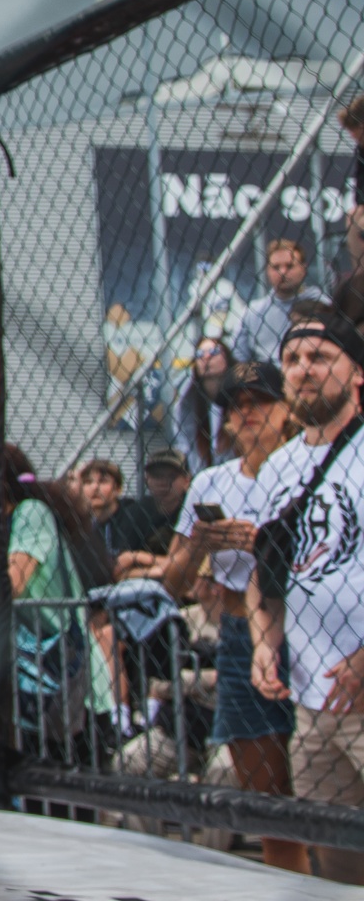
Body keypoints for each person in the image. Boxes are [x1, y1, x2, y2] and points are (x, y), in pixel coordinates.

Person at [155, 359, 307, 873]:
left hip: (309, 629)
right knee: (267, 800)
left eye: (259, 400)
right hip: (241, 632)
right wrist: (202, 542)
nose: (246, 412)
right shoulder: (210, 482)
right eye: (234, 405)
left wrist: (267, 545)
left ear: (286, 409)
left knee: (325, 786)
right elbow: (173, 583)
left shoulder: (311, 471)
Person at [249, 305, 364, 882]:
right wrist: (263, 643)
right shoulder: (279, 467)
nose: (303, 369)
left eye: (320, 357)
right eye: (292, 358)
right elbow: (265, 571)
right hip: (313, 700)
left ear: (358, 372)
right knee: (336, 859)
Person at [0, 441, 117, 761]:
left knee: (78, 778)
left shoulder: (30, 513)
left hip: (67, 672)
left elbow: (12, 584)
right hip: (28, 678)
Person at [232, 239, 329, 364]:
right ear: (267, 271)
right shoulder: (254, 311)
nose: (282, 272)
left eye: (289, 266)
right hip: (266, 372)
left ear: (303, 269)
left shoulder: (323, 305)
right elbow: (238, 356)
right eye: (276, 267)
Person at [109, 450, 190, 579]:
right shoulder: (136, 511)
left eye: (171, 476)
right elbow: (120, 568)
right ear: (147, 479)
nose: (163, 483)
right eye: (157, 476)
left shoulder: (192, 512)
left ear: (187, 481)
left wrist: (139, 557)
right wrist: (164, 568)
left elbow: (193, 564)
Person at [175, 338, 232, 472]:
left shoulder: (240, 396)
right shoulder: (189, 402)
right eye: (200, 354)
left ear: (226, 357)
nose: (206, 357)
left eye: (214, 352)